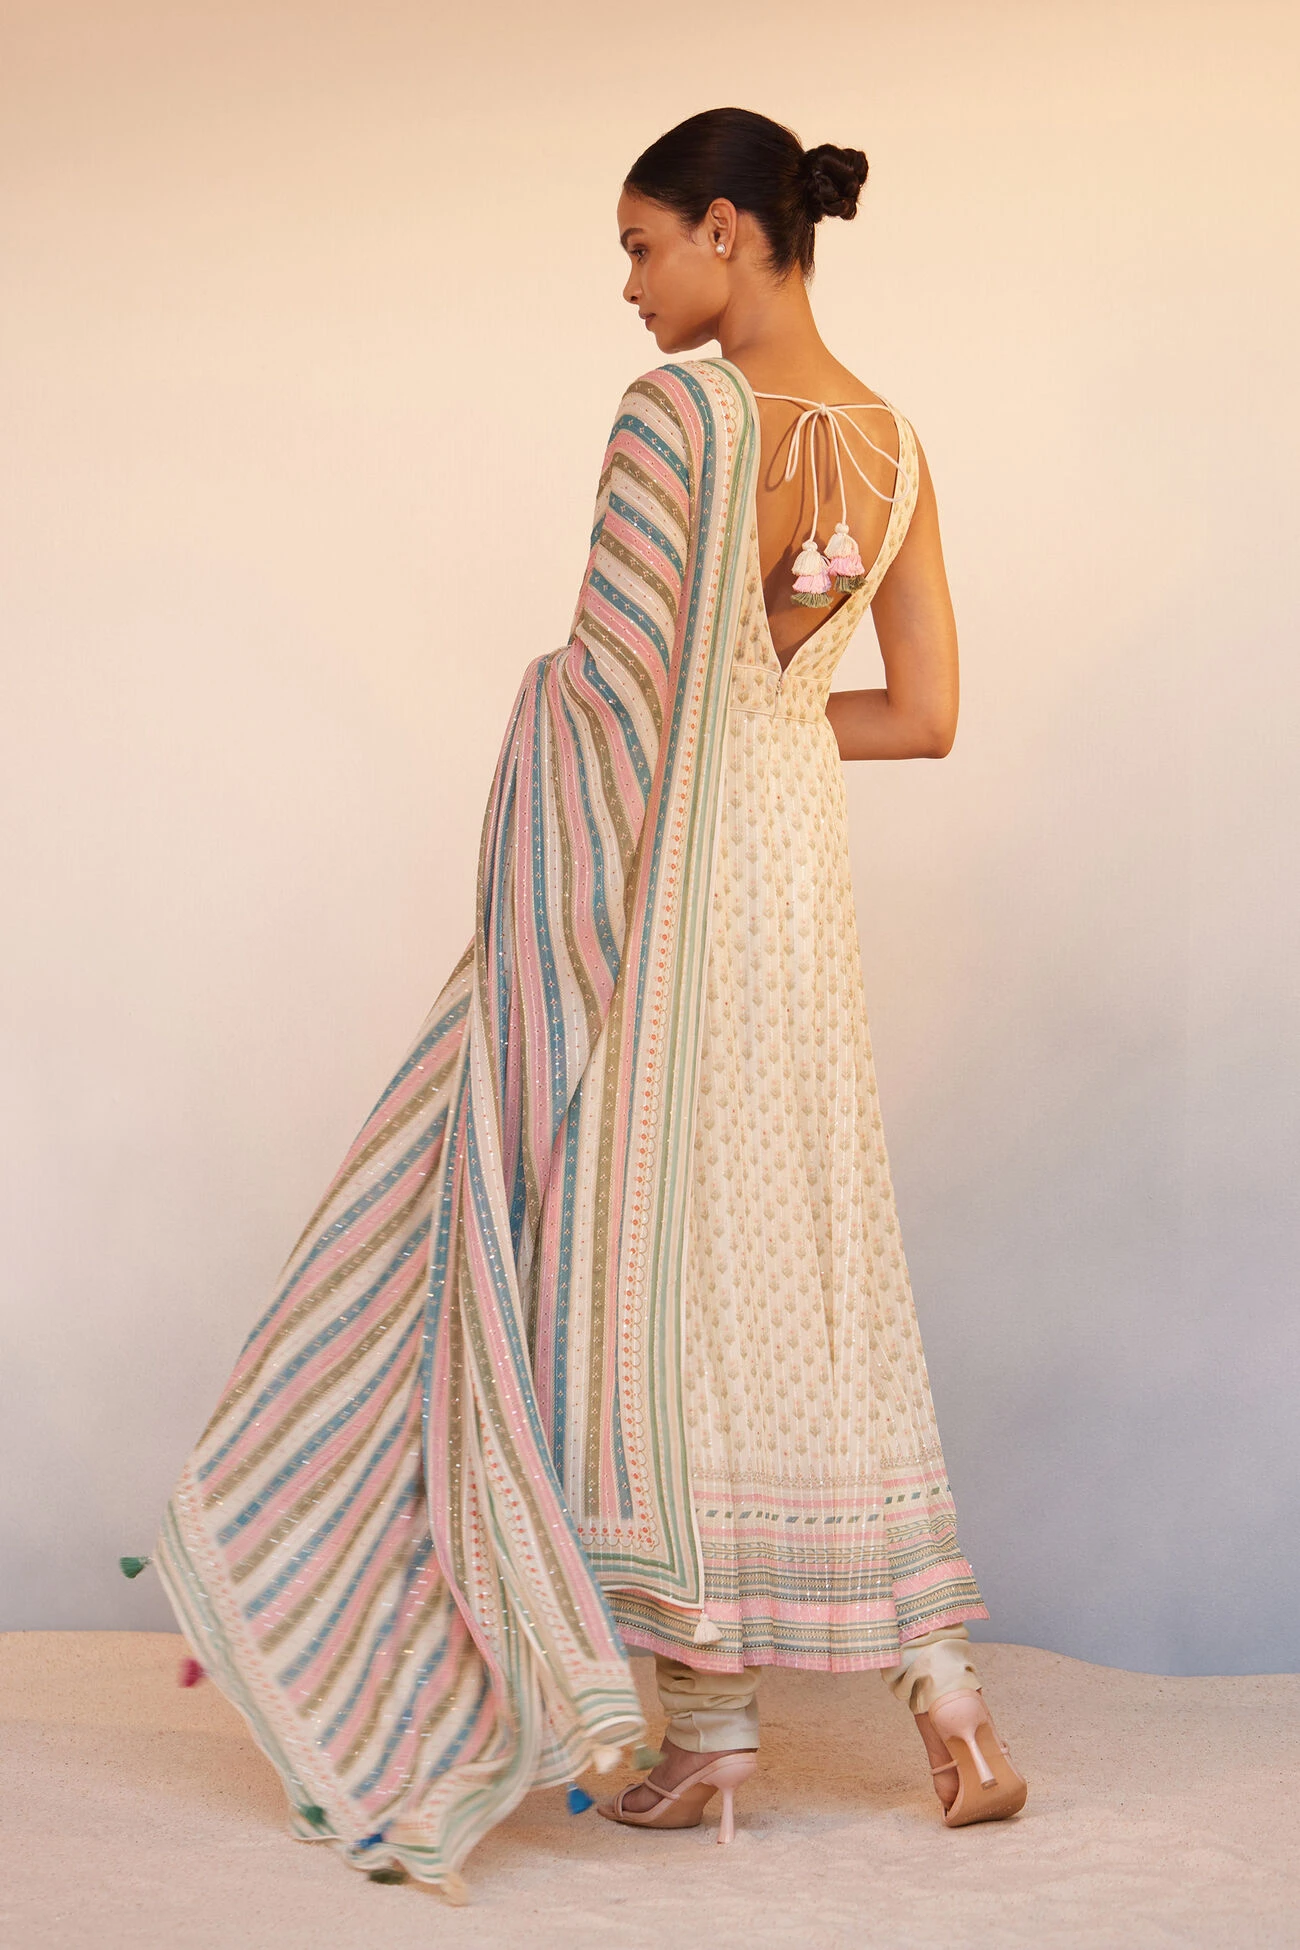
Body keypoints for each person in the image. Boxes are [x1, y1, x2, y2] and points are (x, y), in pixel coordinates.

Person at [139, 106, 1025, 1902]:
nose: (628, 287)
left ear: (726, 229)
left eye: (640, 245)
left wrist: (621, 775)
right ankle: (948, 1696)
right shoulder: (896, 443)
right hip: (797, 898)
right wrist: (774, 727)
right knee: (817, 1266)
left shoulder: (672, 418)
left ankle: (708, 1733)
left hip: (665, 891)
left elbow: (615, 700)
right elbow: (924, 714)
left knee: (654, 1283)